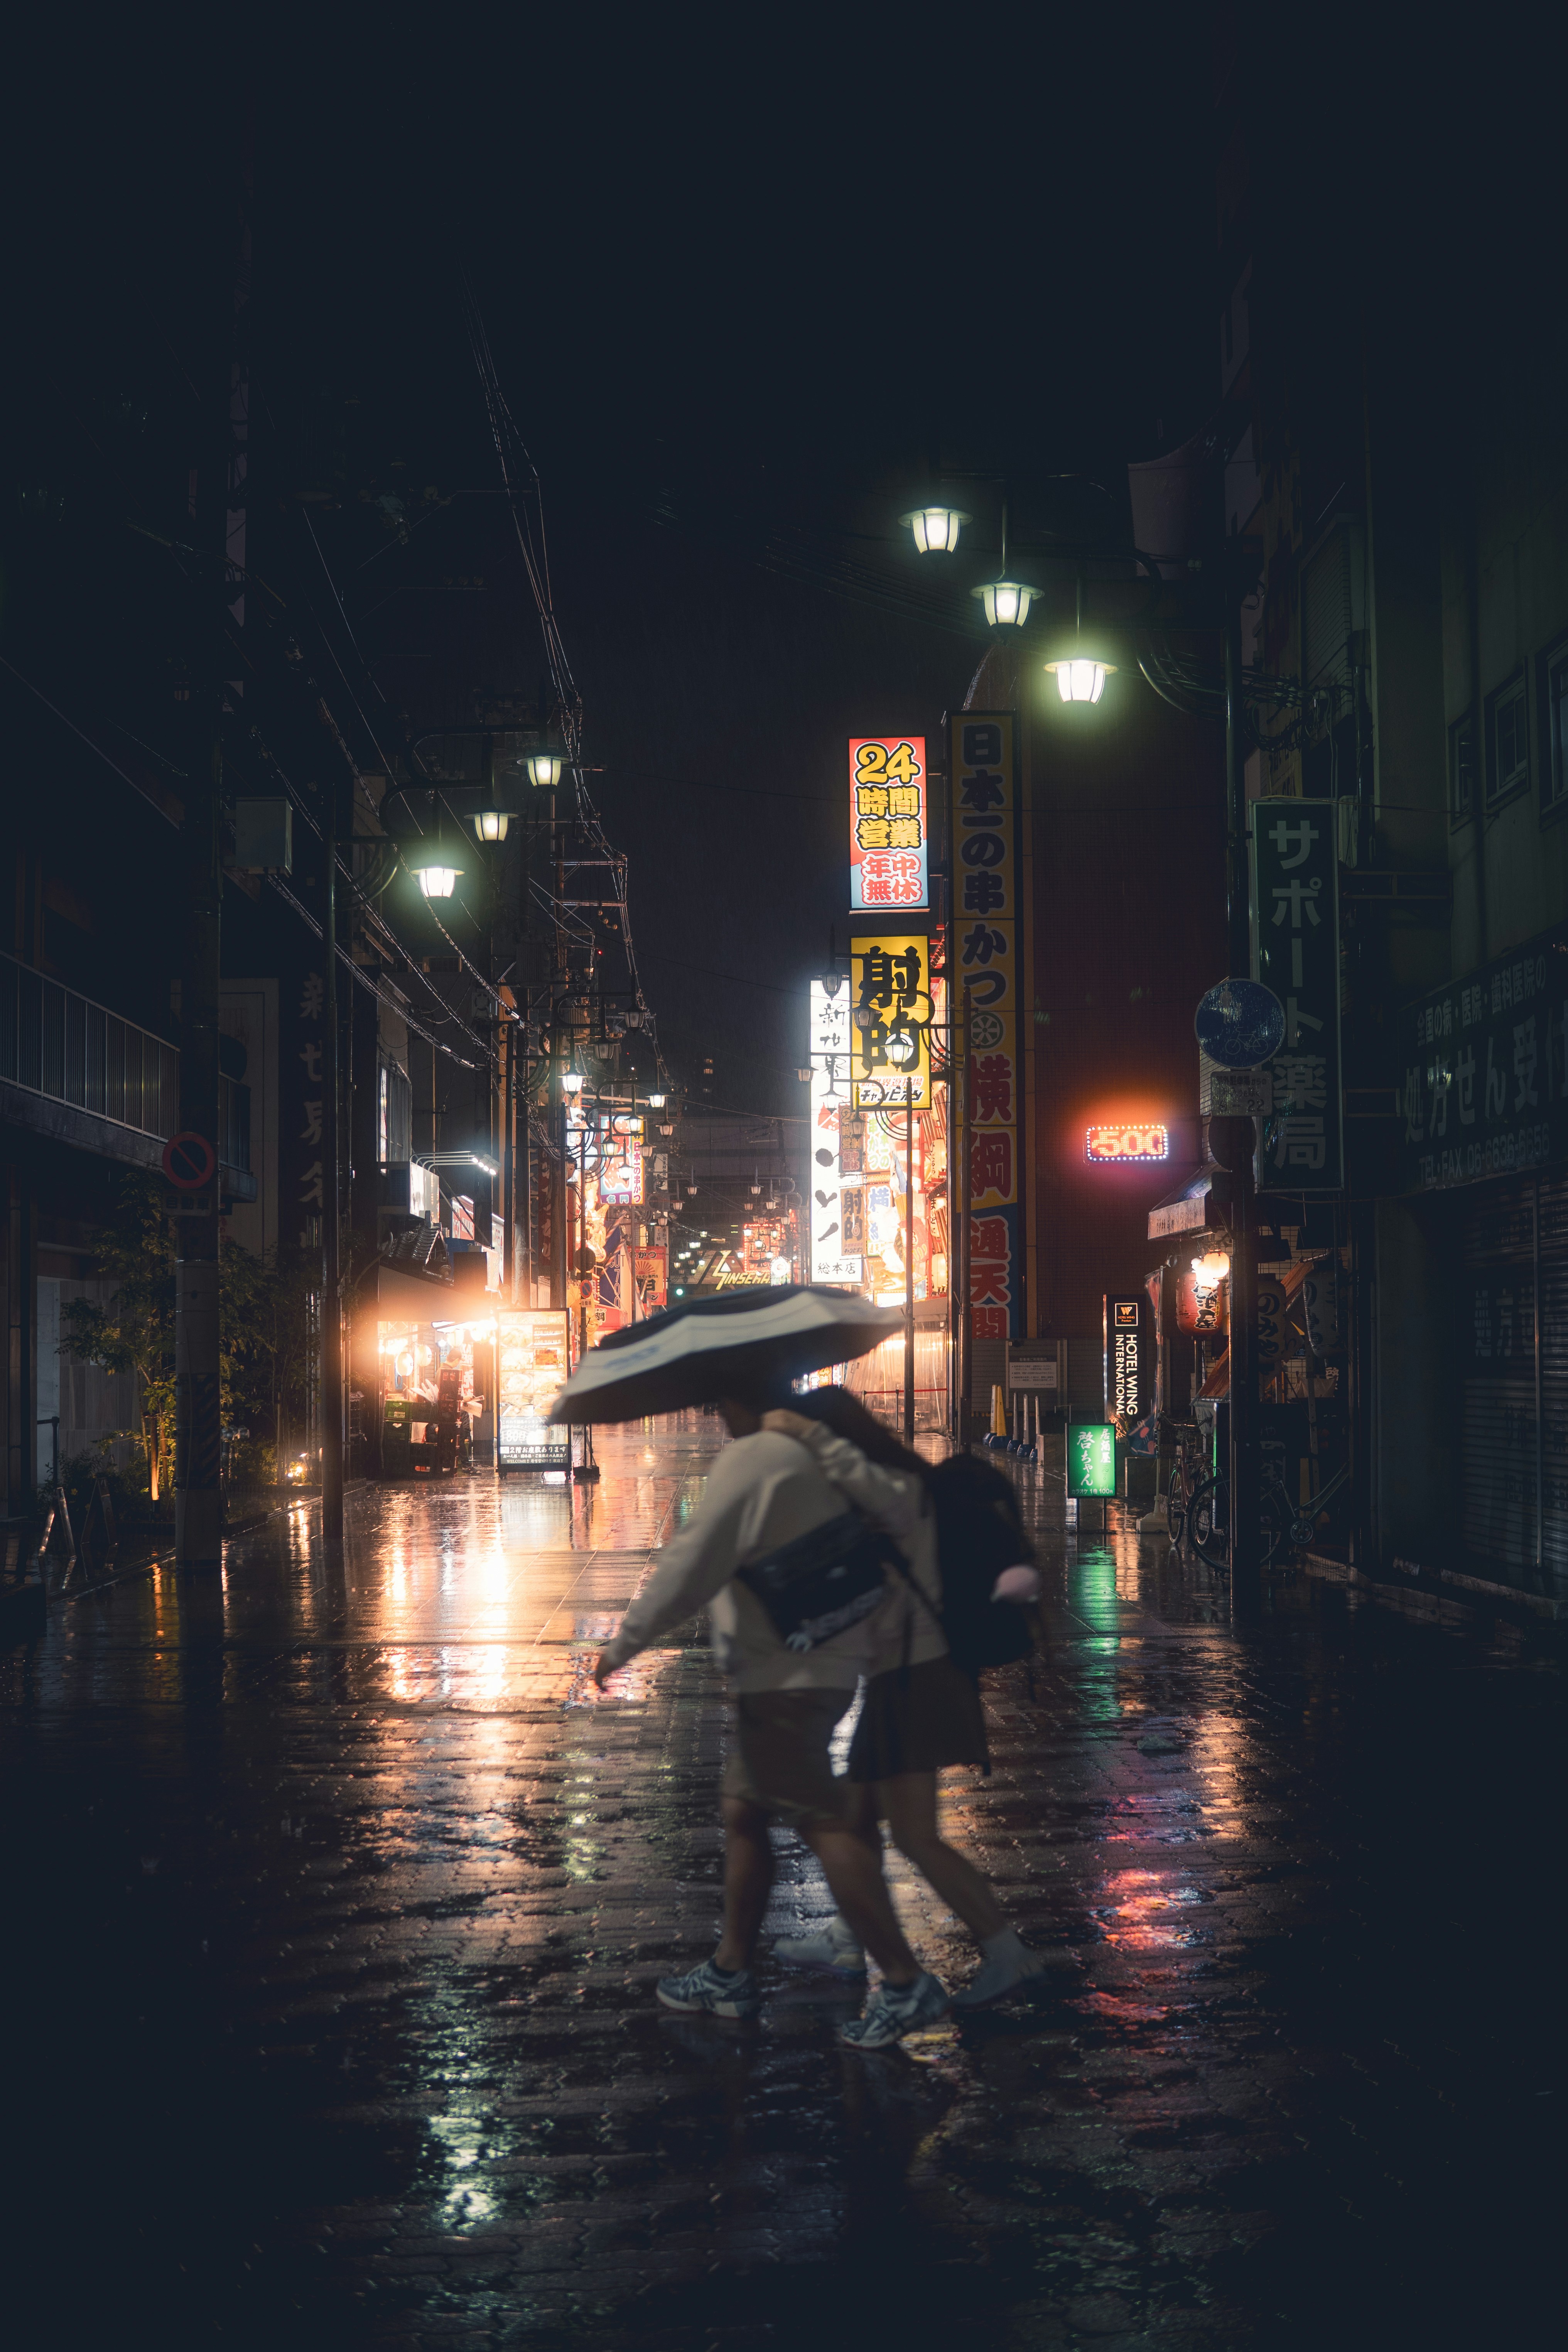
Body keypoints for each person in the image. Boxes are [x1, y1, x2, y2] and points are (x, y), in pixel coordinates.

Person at [590, 1378, 950, 2050]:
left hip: (782, 1676)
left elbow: (691, 1561)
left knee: (824, 1821)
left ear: (740, 1396)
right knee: (745, 1810)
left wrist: (625, 1642)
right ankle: (730, 1966)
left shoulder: (755, 1457)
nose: (716, 1410)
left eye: (721, 1399)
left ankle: (903, 1980)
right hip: (824, 1664)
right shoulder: (813, 1452)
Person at [758, 1390, 1050, 2009]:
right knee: (857, 1817)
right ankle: (847, 1933)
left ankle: (1008, 1954)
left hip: (919, 1676)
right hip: (903, 1675)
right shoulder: (894, 1486)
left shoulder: (892, 1489)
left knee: (917, 1835)